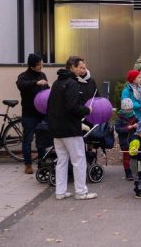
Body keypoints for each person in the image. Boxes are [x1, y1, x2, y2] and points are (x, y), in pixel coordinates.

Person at [47, 56, 97, 200]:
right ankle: (81, 192)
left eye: (84, 67)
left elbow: (50, 105)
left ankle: (60, 192)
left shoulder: (57, 83)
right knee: (79, 160)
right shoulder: (72, 83)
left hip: (56, 129)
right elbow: (72, 107)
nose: (84, 70)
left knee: (62, 161)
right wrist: (87, 110)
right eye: (81, 67)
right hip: (70, 128)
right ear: (72, 67)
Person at [16, 53, 49, 174]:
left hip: (41, 113)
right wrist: (36, 83)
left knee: (42, 139)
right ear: (32, 65)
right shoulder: (23, 76)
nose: (42, 65)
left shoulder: (43, 75)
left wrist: (47, 87)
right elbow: (21, 85)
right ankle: (28, 164)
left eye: (41, 63)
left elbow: (46, 92)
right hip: (29, 114)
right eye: (39, 64)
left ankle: (43, 163)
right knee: (28, 140)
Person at [115, 98, 139, 181]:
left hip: (133, 140)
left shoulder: (134, 116)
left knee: (136, 156)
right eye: (127, 109)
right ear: (123, 109)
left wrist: (137, 125)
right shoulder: (120, 118)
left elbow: (140, 126)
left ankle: (137, 171)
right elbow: (117, 129)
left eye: (130, 109)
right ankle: (128, 173)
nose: (129, 111)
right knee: (126, 157)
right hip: (124, 141)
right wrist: (126, 128)